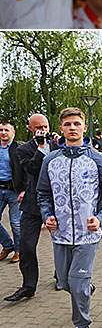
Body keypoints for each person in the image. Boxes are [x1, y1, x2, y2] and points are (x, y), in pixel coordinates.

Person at [36, 107, 102, 328]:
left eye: (76, 124)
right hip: (60, 234)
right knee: (65, 282)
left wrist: (101, 218)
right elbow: (42, 193)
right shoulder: (50, 160)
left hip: (88, 234)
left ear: (84, 127)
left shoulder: (98, 159)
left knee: (77, 281)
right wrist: (47, 215)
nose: (72, 128)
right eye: (67, 124)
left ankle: (82, 326)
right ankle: (84, 288)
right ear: (61, 128)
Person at [4, 113, 59, 302]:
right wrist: (41, 147)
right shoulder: (23, 149)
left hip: (58, 203)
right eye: (38, 128)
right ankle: (28, 286)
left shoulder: (60, 144)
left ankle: (61, 276)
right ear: (30, 129)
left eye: (45, 126)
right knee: (27, 245)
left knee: (62, 244)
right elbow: (33, 169)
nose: (43, 130)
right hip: (33, 203)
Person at [0, 121, 24, 264]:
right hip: (0, 188)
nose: (3, 132)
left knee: (15, 223)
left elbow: (25, 170)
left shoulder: (19, 148)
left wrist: (24, 190)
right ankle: (7, 245)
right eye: (1, 130)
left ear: (13, 133)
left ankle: (19, 250)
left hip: (14, 190)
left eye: (6, 130)